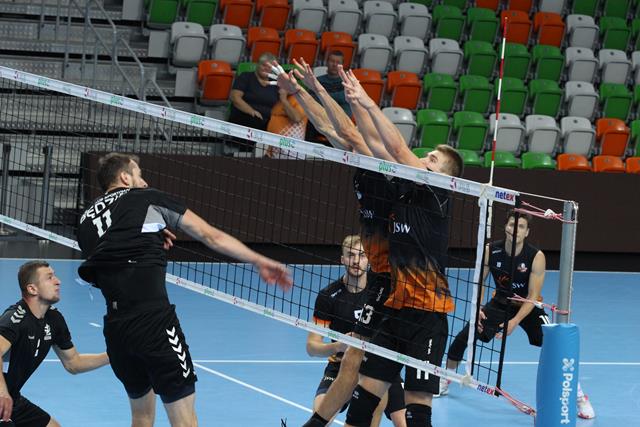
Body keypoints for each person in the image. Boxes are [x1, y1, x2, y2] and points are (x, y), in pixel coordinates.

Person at [270, 60, 464, 427]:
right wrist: (301, 91)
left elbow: (359, 134)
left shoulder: (418, 184)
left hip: (406, 289)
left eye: (432, 158)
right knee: (359, 365)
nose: (424, 158)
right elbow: (331, 128)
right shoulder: (389, 173)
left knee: (375, 372)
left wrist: (346, 96)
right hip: (386, 283)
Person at [76, 153, 292, 427]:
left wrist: (153, 231)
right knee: (185, 422)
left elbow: (112, 253)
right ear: (125, 177)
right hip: (153, 323)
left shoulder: (85, 221)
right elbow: (210, 235)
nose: (145, 182)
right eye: (139, 174)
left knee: (141, 418)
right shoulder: (147, 198)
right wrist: (259, 260)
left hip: (116, 330)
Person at [439, 211, 595, 420]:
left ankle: (579, 397)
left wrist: (514, 321)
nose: (515, 230)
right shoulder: (491, 250)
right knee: (465, 335)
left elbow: (532, 296)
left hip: (528, 306)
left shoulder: (536, 257)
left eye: (521, 227)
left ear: (527, 232)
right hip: (500, 302)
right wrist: (477, 309)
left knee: (555, 343)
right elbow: (478, 282)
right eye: (512, 225)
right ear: (506, 227)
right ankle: (445, 378)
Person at [308, 235, 406, 427]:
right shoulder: (328, 296)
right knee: (319, 414)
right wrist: (339, 346)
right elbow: (312, 347)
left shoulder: (382, 293)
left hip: (379, 365)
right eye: (350, 255)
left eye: (361, 255)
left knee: (402, 421)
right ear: (342, 259)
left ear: (369, 259)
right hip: (340, 365)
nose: (356, 261)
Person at [0, 261, 110, 427]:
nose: (58, 281)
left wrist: (113, 355)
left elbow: (73, 363)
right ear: (32, 289)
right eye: (49, 277)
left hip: (11, 399)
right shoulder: (15, 318)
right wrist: (2, 392)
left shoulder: (54, 320)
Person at [305, 51, 352, 144]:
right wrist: (336, 99)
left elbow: (345, 100)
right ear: (327, 62)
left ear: (342, 65)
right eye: (332, 61)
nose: (334, 64)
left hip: (340, 123)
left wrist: (322, 96)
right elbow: (311, 100)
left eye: (338, 62)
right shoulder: (317, 80)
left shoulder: (347, 83)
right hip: (318, 121)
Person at [229, 52, 280, 132]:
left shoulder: (275, 83)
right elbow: (235, 97)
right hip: (246, 117)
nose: (266, 69)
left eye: (270, 67)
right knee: (254, 121)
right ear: (257, 64)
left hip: (268, 121)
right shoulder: (246, 77)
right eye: (264, 65)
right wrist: (252, 112)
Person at [264, 88, 308, 158]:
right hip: (274, 148)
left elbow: (297, 118)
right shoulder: (279, 101)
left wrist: (284, 100)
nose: (280, 89)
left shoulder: (300, 100)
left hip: (291, 151)